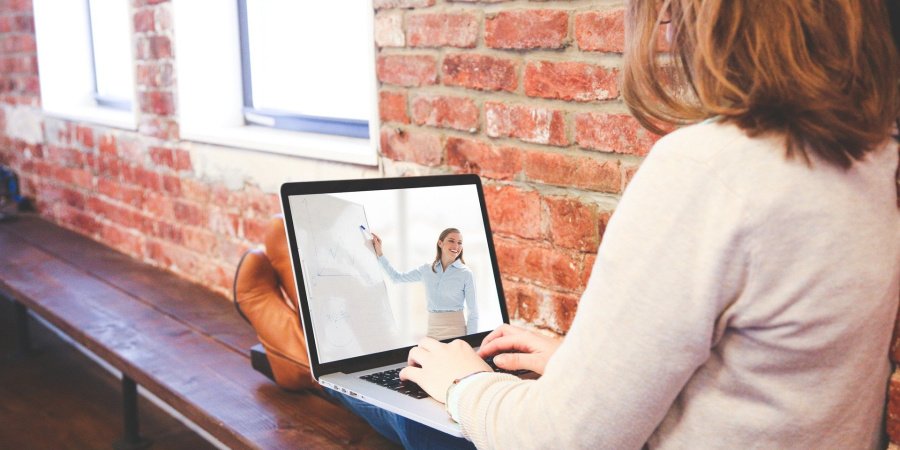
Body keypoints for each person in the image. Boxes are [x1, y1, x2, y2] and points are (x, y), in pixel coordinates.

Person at [234, 0, 900, 448]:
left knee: (423, 394)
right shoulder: (880, 157)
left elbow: (564, 441)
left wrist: (465, 384)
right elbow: (770, 373)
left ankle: (298, 351)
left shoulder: (710, 169)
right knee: (438, 360)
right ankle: (311, 343)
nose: (668, 29)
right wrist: (587, 369)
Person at [371, 228, 478, 340]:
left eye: (459, 243)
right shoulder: (427, 270)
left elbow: (473, 312)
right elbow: (396, 278)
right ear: (440, 243)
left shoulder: (466, 274)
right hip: (433, 330)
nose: (456, 246)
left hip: (457, 331)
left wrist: (471, 341)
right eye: (451, 241)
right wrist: (380, 253)